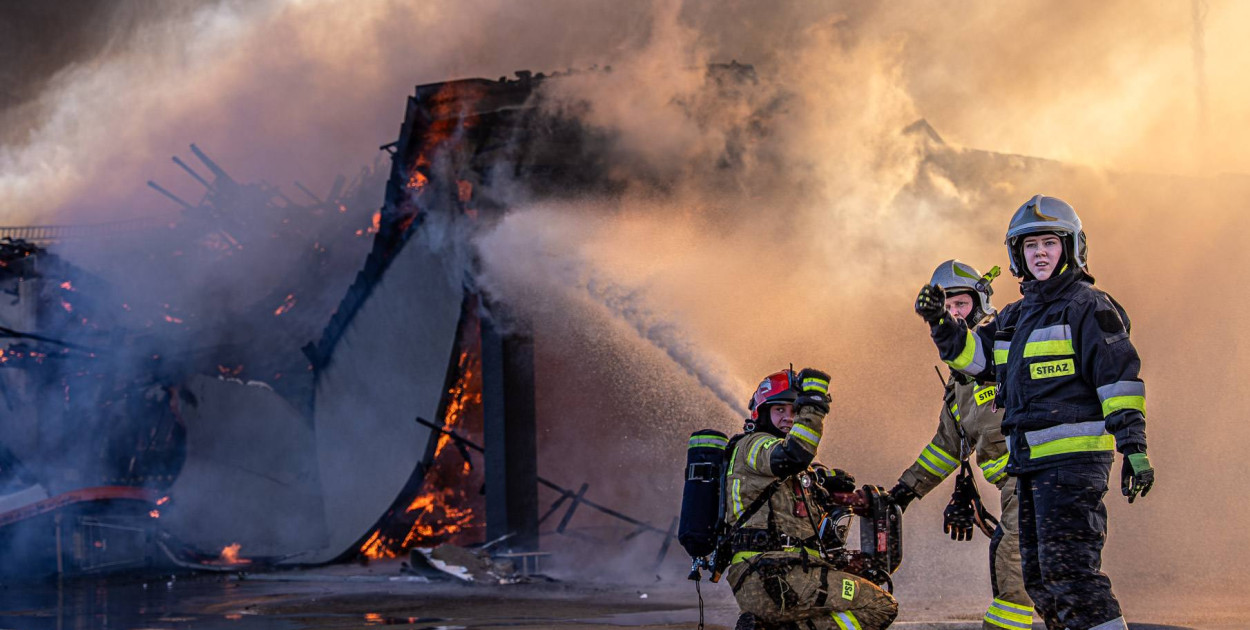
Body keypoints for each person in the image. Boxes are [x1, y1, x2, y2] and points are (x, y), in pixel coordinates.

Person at [913, 195, 1154, 630]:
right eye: (1030, 246)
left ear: (1071, 247)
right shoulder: (1014, 317)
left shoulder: (1088, 306)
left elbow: (1118, 380)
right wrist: (941, 325)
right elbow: (974, 360)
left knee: (1073, 577)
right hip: (1030, 469)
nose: (1040, 253)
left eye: (1049, 243)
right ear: (1017, 255)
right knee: (1041, 580)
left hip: (1073, 467)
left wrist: (1133, 447)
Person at [889, 259, 1035, 630]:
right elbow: (946, 446)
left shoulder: (1009, 344)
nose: (954, 313)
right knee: (1021, 560)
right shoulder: (960, 386)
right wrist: (904, 492)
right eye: (947, 306)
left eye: (961, 304)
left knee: (1014, 559)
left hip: (1037, 474)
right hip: (1014, 484)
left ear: (981, 303)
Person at [725, 368, 898, 630]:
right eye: (780, 410)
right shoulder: (754, 445)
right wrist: (814, 407)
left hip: (775, 578)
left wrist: (825, 489)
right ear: (761, 413)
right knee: (880, 606)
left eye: (795, 411)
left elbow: (802, 526)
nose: (789, 417)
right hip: (777, 577)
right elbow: (792, 455)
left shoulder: (793, 473)